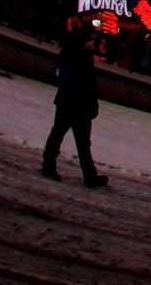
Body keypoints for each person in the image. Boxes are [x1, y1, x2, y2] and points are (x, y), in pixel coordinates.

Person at [41, 15, 110, 187]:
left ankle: (49, 165)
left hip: (68, 101)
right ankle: (89, 176)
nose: (94, 42)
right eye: (92, 38)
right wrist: (91, 103)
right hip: (78, 104)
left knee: (60, 134)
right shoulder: (81, 54)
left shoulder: (72, 50)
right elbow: (86, 83)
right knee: (80, 141)